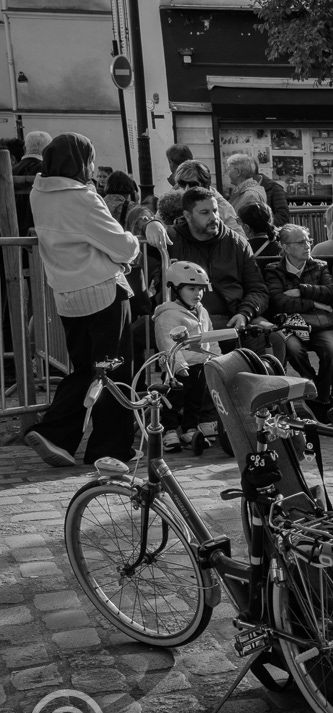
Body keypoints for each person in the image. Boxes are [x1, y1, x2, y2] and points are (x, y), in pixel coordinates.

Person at [23, 132, 139, 467]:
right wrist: (131, 242)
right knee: (113, 370)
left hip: (66, 294)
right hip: (102, 290)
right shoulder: (82, 198)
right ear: (80, 161)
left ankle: (56, 434)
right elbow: (123, 247)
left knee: (86, 368)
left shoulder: (39, 193)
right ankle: (109, 448)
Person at [143, 187, 267, 338]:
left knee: (274, 336)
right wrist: (150, 224)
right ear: (188, 216)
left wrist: (245, 313)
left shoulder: (237, 243)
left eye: (215, 210)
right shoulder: (171, 240)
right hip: (184, 321)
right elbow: (132, 242)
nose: (214, 217)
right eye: (205, 212)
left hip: (232, 318)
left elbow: (257, 289)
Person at [265, 224, 333, 422]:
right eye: (300, 242)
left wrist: (301, 290)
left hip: (319, 323)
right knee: (294, 348)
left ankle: (320, 396)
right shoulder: (274, 270)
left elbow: (332, 292)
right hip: (290, 324)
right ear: (286, 247)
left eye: (308, 241)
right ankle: (314, 390)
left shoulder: (319, 266)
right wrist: (314, 303)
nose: (307, 246)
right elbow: (279, 301)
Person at [152, 261, 219, 451]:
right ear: (175, 288)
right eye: (191, 288)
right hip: (177, 369)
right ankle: (169, 431)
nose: (198, 293)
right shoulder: (168, 315)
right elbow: (167, 343)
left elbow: (211, 337)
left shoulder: (202, 312)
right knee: (172, 401)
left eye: (200, 289)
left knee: (195, 401)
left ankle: (190, 429)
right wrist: (178, 365)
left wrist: (217, 358)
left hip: (200, 365)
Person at [171, 160, 242, 235]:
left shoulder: (222, 206)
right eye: (182, 183)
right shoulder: (176, 200)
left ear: (205, 184)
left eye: (193, 184)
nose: (186, 189)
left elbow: (239, 236)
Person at [13, 130, 51, 237]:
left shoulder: (9, 172)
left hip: (12, 233)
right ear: (48, 151)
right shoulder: (48, 171)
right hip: (38, 233)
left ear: (25, 149)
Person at [226, 153, 268, 220]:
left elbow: (249, 223)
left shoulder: (251, 195)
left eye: (229, 170)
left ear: (238, 172)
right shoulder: (243, 190)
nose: (227, 173)